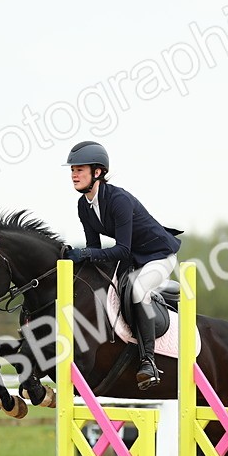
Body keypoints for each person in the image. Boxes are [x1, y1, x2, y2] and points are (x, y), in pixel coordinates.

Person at [62, 140, 181, 389]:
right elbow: (94, 247)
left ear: (97, 172)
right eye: (72, 170)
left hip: (158, 256)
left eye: (79, 169)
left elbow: (122, 248)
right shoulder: (84, 205)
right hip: (131, 259)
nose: (74, 175)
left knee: (138, 290)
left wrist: (85, 253)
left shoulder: (118, 200)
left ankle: (148, 361)